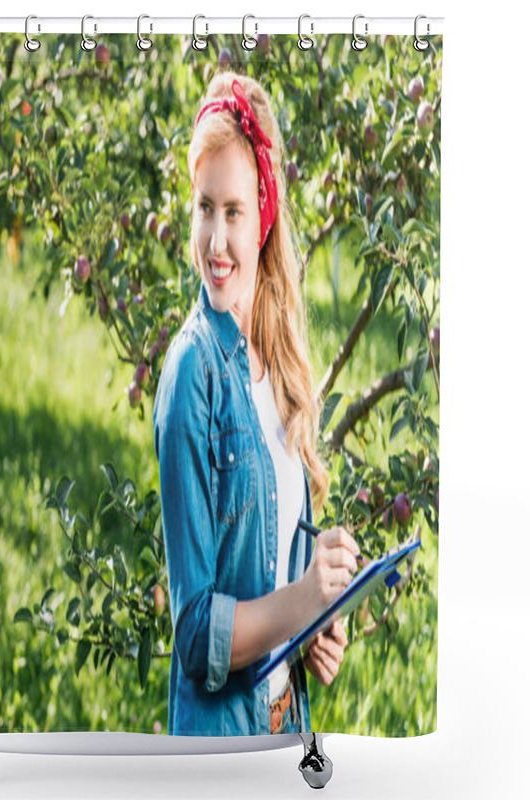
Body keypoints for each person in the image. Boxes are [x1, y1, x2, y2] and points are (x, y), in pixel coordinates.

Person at [153, 74, 360, 737]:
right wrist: (300, 603)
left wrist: (318, 623)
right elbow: (193, 634)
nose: (215, 242)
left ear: (263, 216)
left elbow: (272, 570)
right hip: (220, 748)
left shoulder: (274, 354)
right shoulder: (193, 373)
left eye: (233, 212)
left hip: (284, 725)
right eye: (203, 207)